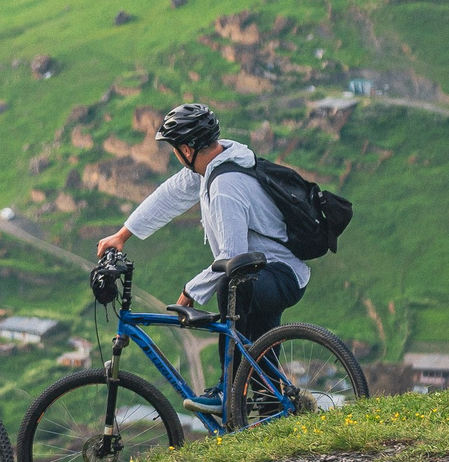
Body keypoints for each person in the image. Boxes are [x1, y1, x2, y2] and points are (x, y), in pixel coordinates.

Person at [91, 102, 308, 340]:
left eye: (174, 149)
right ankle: (253, 376)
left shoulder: (225, 187)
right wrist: (122, 235)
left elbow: (233, 256)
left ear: (186, 150)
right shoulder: (215, 164)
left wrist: (191, 290)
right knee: (259, 362)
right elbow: (169, 195)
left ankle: (231, 376)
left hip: (278, 275)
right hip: (264, 272)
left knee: (230, 286)